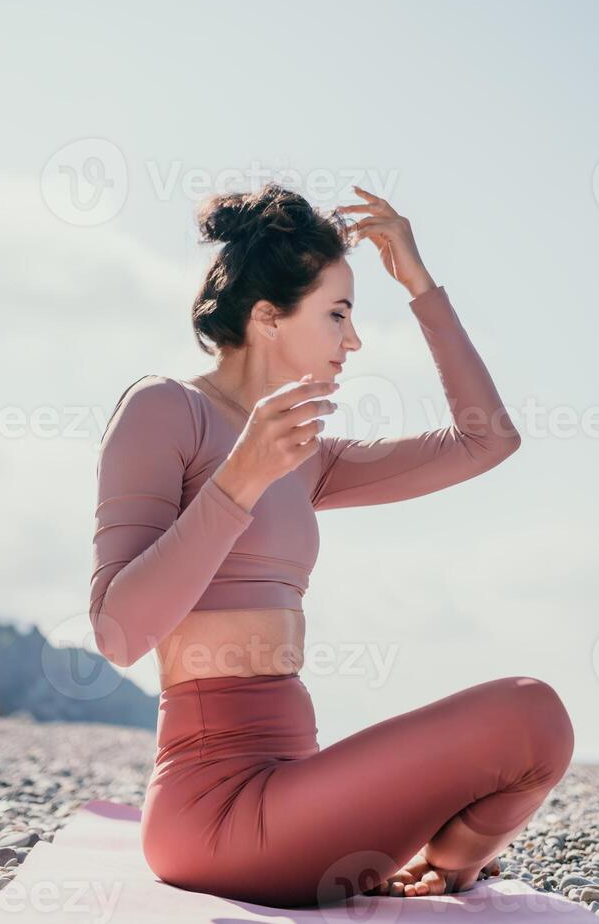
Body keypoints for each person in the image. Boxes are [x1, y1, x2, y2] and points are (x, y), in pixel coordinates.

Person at [89, 181, 574, 909]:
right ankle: (438, 867)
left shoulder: (306, 456)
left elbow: (486, 441)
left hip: (295, 791)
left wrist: (420, 285)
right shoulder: (165, 411)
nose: (353, 340)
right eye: (338, 315)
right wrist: (238, 482)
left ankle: (446, 869)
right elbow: (118, 634)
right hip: (212, 811)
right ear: (267, 318)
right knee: (527, 711)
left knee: (537, 720)